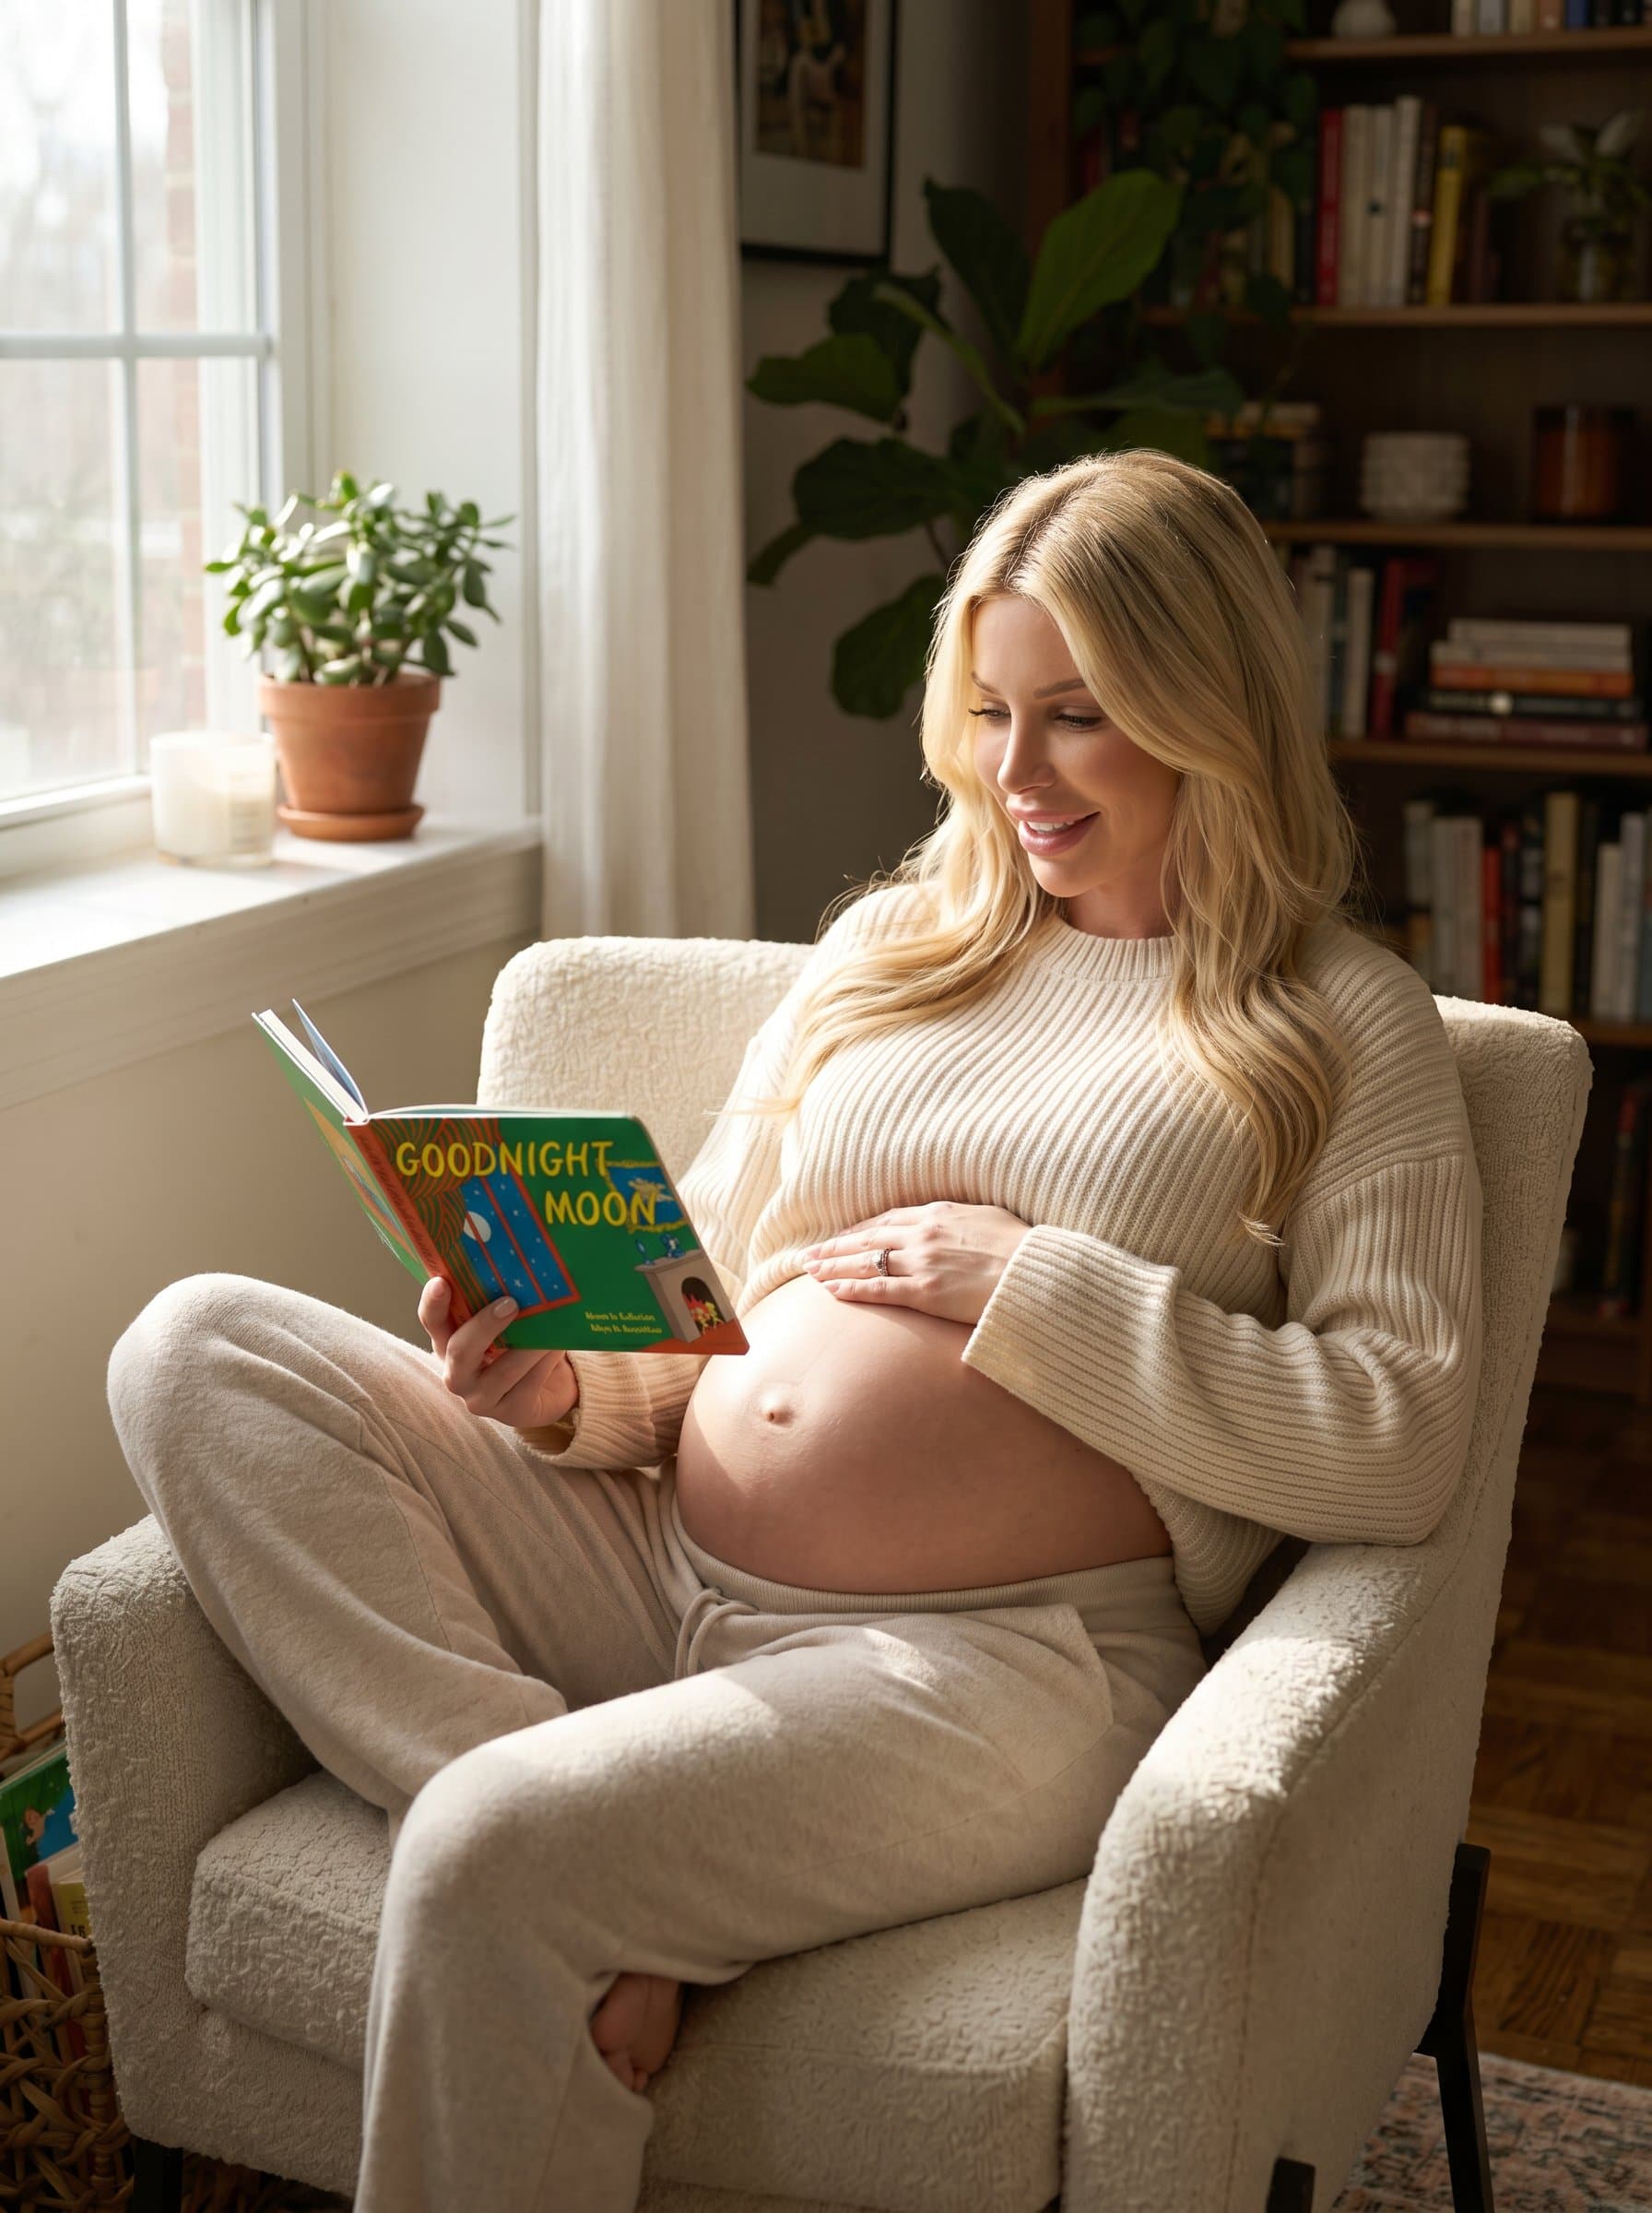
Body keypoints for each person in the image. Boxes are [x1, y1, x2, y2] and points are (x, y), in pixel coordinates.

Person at [105, 448, 1484, 2212]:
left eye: (1076, 716)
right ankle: (564, 1809)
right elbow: (704, 1299)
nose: (1014, 772)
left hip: (994, 1667)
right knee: (193, 1344)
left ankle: (551, 1841)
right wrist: (559, 1387)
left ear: (1205, 705)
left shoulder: (1337, 1024)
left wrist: (1034, 1288)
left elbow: (1401, 1426)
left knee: (484, 1860)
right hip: (652, 1551)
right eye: (987, 710)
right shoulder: (896, 953)